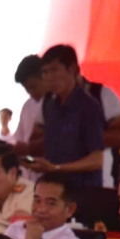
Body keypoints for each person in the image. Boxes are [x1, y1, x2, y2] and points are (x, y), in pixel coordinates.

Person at [27, 45, 106, 187]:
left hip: (83, 190)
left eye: (54, 70)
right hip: (56, 190)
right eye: (45, 72)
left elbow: (97, 160)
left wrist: (56, 168)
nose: (49, 77)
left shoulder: (89, 106)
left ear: (72, 69)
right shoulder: (49, 106)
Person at [5, 173, 81, 239]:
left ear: (70, 209)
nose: (41, 210)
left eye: (51, 203)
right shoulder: (15, 228)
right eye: (37, 201)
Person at [9, 54, 47, 158]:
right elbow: (19, 138)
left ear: (45, 76)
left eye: (34, 87)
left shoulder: (56, 104)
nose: (31, 92)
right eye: (27, 89)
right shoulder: (27, 106)